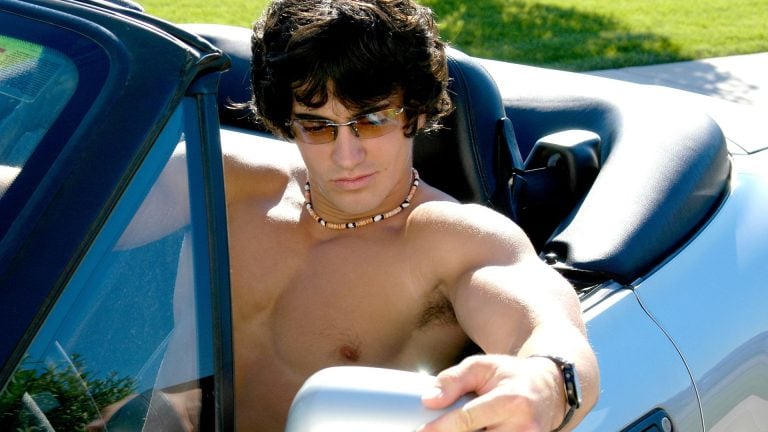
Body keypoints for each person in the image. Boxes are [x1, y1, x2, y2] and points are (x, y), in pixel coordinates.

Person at [219, 0, 600, 430]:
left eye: (374, 119)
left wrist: (545, 384)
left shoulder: (451, 239)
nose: (347, 156)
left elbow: (548, 328)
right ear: (286, 123)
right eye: (318, 126)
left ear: (416, 112)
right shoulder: (225, 185)